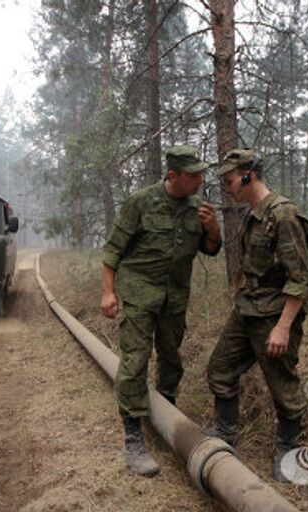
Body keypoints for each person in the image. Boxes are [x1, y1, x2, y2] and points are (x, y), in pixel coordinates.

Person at [101, 145, 222, 476]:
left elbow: (211, 250)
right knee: (135, 360)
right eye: (193, 174)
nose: (200, 179)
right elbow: (113, 250)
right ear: (173, 176)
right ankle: (133, 436)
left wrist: (214, 230)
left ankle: (164, 409)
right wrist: (109, 293)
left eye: (201, 173)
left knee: (170, 356)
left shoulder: (199, 208)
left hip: (175, 298)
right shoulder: (141, 202)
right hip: (140, 293)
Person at [205, 148, 308, 482]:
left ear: (249, 175)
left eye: (230, 179)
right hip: (247, 309)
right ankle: (226, 432)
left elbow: (301, 279)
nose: (227, 186)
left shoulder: (283, 215)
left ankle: (288, 449)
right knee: (220, 369)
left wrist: (283, 327)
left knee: (283, 386)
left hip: (273, 316)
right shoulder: (254, 214)